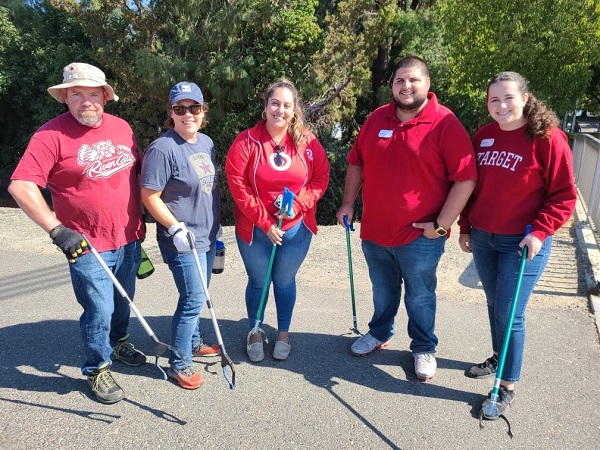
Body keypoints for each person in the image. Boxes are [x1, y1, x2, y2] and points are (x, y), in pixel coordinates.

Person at [8, 62, 146, 404]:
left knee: (123, 299)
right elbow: (21, 186)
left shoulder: (122, 128)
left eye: (93, 93)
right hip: (84, 245)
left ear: (105, 96)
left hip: (128, 237)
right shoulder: (50, 135)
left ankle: (119, 340)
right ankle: (97, 368)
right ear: (65, 98)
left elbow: (143, 177)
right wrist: (57, 231)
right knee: (97, 308)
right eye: (77, 94)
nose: (86, 101)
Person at [336, 56, 478, 381]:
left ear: (427, 84)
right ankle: (380, 333)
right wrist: (347, 203)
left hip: (420, 238)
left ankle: (424, 346)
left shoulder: (445, 123)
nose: (406, 86)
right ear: (393, 86)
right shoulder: (376, 119)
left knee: (420, 296)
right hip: (375, 232)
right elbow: (356, 162)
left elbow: (466, 178)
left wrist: (441, 225)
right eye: (400, 80)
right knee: (382, 291)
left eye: (413, 80)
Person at [458, 71, 577, 418]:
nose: (501, 105)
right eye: (494, 99)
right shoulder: (483, 136)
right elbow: (471, 188)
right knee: (495, 303)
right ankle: (500, 354)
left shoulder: (548, 139)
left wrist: (540, 232)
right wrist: (466, 226)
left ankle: (506, 386)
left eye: (508, 98)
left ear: (525, 98)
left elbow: (563, 195)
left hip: (523, 241)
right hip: (483, 237)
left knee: (510, 313)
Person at [225, 78, 330, 362]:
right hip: (256, 230)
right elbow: (237, 185)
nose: (280, 110)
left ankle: (283, 333)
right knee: (259, 281)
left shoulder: (307, 141)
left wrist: (297, 206)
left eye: (286, 105)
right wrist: (265, 223)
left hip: (295, 230)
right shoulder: (246, 141)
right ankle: (255, 331)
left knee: (284, 281)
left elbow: (321, 179)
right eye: (275, 103)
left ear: (294, 109)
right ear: (265, 106)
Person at [140, 82, 222, 390]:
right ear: (171, 113)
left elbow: (207, 191)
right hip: (181, 239)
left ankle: (196, 340)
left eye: (194, 108)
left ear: (203, 111)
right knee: (192, 299)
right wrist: (175, 227)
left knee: (200, 295)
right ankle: (179, 361)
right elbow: (150, 196)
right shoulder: (163, 149)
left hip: (207, 236)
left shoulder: (206, 143)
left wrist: (215, 232)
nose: (188, 114)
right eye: (180, 109)